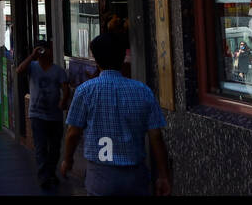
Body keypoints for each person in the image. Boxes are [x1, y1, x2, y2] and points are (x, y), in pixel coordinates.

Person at [61, 33, 171, 196]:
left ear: (96, 60)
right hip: (135, 176)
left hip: (100, 176)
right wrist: (163, 176)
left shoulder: (85, 91)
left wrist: (68, 160)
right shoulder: (143, 91)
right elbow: (156, 136)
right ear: (123, 58)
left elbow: (73, 133)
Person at [15, 39, 71, 190]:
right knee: (40, 148)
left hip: (55, 115)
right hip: (36, 115)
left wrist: (64, 100)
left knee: (54, 148)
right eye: (39, 50)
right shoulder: (32, 67)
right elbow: (19, 70)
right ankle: (43, 177)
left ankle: (51, 173)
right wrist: (32, 56)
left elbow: (65, 88)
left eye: (44, 49)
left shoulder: (58, 70)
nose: (43, 53)